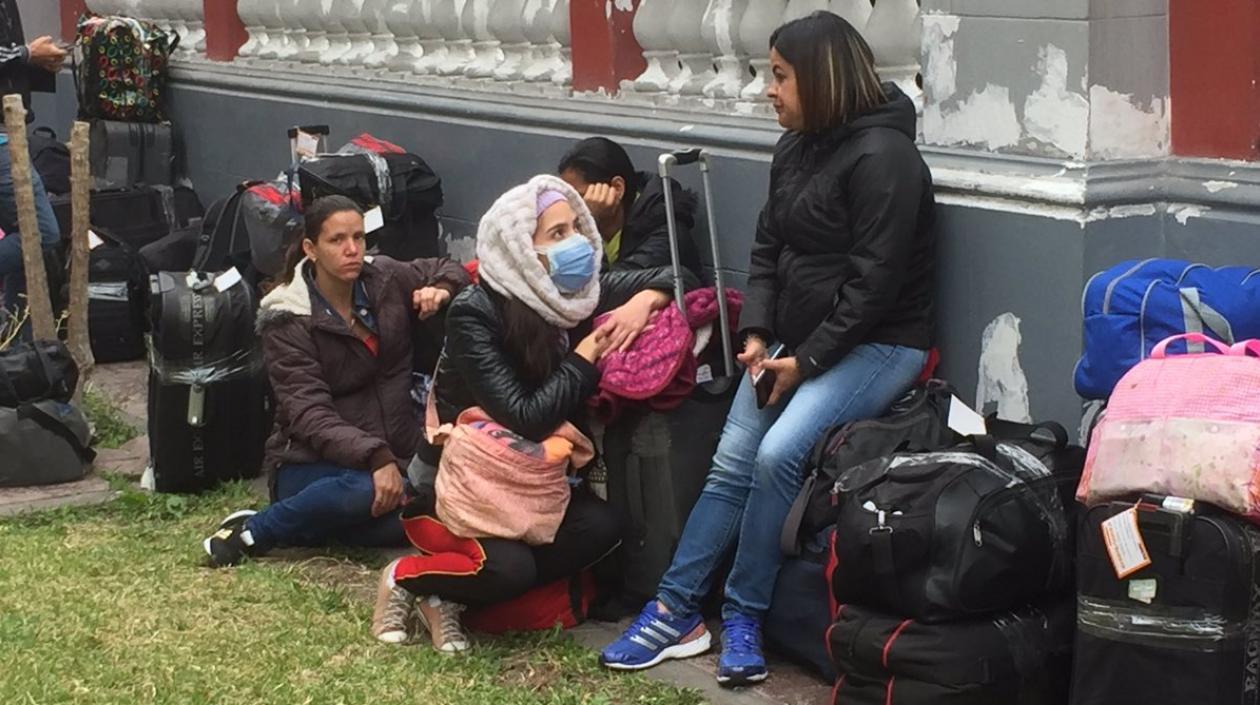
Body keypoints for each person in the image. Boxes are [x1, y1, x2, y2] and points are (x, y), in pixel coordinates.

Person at [600, 12, 936, 686]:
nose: (767, 91)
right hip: (793, 342)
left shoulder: (887, 160)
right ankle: (676, 609)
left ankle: (744, 613)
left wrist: (803, 362)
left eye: (779, 76)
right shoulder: (796, 149)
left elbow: (874, 289)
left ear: (821, 78)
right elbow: (766, 250)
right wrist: (756, 335)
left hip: (880, 344)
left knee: (779, 454)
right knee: (732, 459)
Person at [374, 174, 695, 653]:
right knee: (512, 566)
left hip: (533, 482)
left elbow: (681, 276)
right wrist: (585, 356)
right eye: (557, 234)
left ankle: (454, 596)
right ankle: (409, 578)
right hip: (462, 484)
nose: (577, 246)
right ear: (521, 247)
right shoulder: (475, 311)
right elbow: (526, 415)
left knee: (605, 528)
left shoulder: (574, 293)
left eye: (576, 230)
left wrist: (647, 299)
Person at [202, 195, 470, 570]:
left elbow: (448, 266)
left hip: (398, 457)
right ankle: (254, 531)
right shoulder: (287, 317)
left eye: (359, 238)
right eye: (337, 240)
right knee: (362, 495)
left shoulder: (385, 277)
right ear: (310, 248)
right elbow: (308, 413)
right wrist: (376, 457)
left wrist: (440, 287)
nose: (352, 250)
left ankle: (309, 525)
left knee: (411, 522)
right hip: (313, 463)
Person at [0, 0, 65, 321]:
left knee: (23, 232)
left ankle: (15, 349)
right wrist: (26, 54)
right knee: (39, 233)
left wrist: (35, 63)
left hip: (10, 126)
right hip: (2, 136)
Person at [558, 136, 701, 276]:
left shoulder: (666, 236)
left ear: (617, 188)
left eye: (578, 197)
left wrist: (588, 226)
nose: (570, 208)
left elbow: (603, 288)